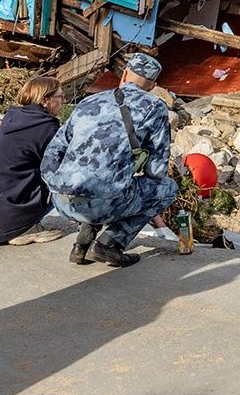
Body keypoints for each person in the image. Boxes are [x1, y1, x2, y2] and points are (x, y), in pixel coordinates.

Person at [40, 52, 177, 267]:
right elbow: (157, 170)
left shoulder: (89, 101)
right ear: (152, 86)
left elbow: (53, 151)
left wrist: (55, 185)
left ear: (124, 75)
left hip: (62, 201)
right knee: (167, 188)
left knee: (98, 180)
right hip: (103, 204)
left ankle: (81, 245)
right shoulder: (155, 107)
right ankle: (109, 244)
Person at [0, 74, 68, 246]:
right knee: (67, 178)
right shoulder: (45, 126)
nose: (63, 101)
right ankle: (25, 229)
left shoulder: (15, 117)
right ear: (45, 100)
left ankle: (18, 225)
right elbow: (63, 165)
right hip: (8, 213)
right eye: (60, 96)